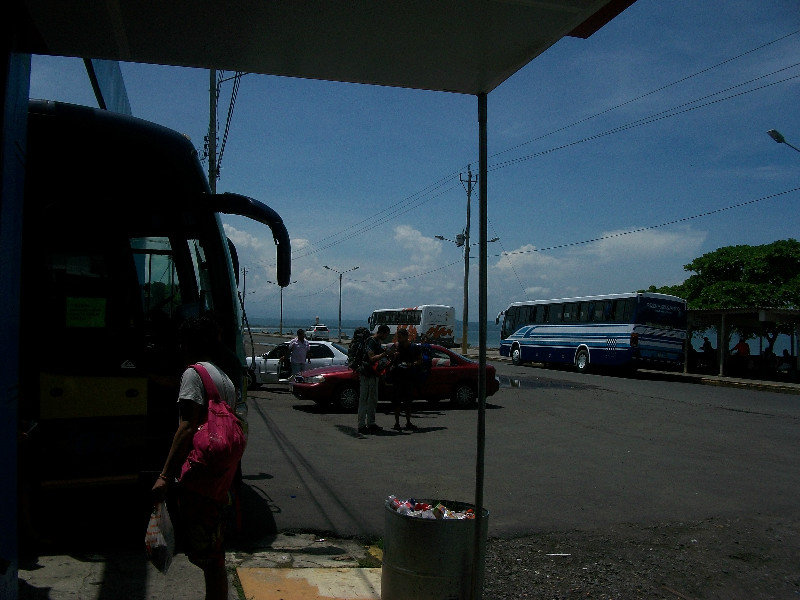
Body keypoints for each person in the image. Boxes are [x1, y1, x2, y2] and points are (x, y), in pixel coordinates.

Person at [152, 315, 241, 600]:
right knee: (213, 554)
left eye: (182, 342)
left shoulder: (194, 374)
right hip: (219, 478)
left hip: (200, 476)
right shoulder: (222, 377)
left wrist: (165, 475)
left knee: (210, 558)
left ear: (189, 344)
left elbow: (187, 426)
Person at [357, 324, 391, 434]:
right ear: (382, 332)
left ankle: (371, 423)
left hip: (374, 374)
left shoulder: (377, 342)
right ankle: (361, 425)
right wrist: (385, 354)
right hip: (366, 374)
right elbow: (371, 358)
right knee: (364, 400)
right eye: (386, 334)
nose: (386, 337)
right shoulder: (371, 341)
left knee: (373, 400)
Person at [387, 328, 423, 431]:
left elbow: (420, 360)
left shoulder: (414, 348)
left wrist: (411, 364)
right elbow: (390, 359)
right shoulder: (396, 347)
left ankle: (408, 422)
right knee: (397, 402)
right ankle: (397, 423)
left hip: (408, 377)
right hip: (397, 377)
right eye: (398, 337)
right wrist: (393, 356)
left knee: (408, 402)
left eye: (400, 337)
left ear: (406, 337)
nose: (398, 339)